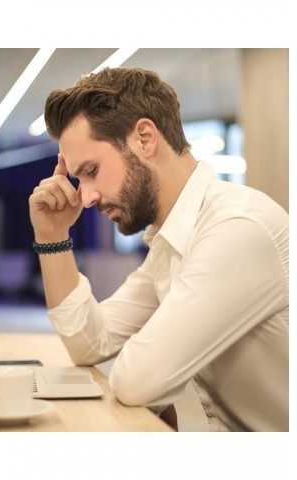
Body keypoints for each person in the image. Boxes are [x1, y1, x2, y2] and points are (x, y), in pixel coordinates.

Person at [28, 67, 289, 432]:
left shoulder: (236, 228)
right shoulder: (172, 240)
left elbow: (138, 381)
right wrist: (53, 235)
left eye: (91, 170)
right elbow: (91, 342)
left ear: (145, 138)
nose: (85, 197)